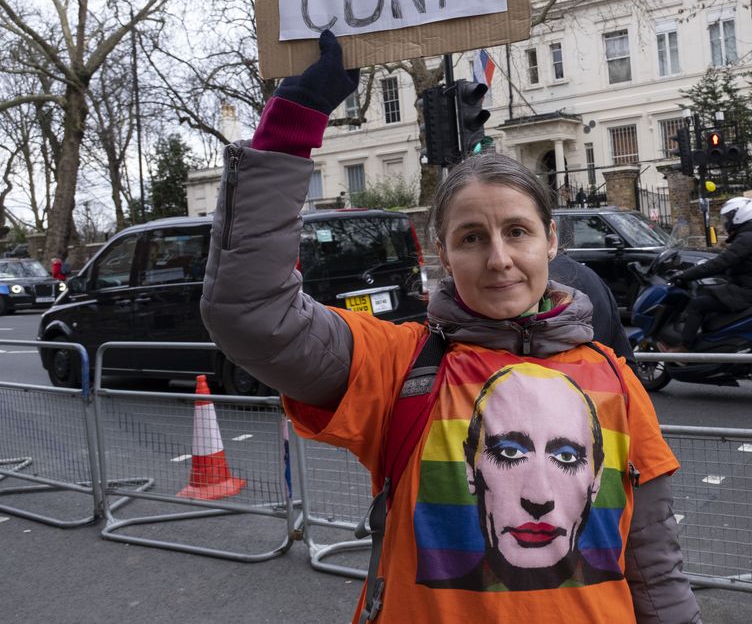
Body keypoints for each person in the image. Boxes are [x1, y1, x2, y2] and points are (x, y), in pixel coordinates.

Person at [199, 31, 699, 624]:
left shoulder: (618, 381)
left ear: (551, 240)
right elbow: (251, 312)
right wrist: (292, 126)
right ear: (442, 252)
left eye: (517, 231)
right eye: (471, 238)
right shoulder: (396, 368)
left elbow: (654, 570)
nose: (498, 259)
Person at [419, 363, 622, 591]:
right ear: (471, 468)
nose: (538, 498)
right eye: (510, 453)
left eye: (566, 457)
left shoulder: (622, 381)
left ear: (596, 477)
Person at [667, 197, 752, 350]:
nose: (725, 222)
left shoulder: (746, 238)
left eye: (728, 218)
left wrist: (684, 275)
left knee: (697, 304)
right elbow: (740, 264)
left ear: (739, 216)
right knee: (712, 293)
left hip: (748, 292)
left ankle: (685, 349)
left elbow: (719, 264)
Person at [550, 220, 634, 359]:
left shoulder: (584, 277)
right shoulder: (588, 276)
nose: (501, 260)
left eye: (517, 233)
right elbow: (623, 358)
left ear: (552, 235)